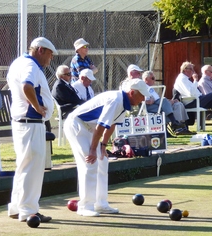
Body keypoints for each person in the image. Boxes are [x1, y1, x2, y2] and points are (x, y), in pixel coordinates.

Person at [63, 78, 150, 217]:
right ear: (132, 92)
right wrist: (92, 150)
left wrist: (103, 145)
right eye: (142, 95)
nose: (144, 99)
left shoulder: (125, 103)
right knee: (90, 163)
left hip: (91, 129)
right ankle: (85, 206)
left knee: (102, 161)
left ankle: (100, 203)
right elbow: (101, 125)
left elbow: (112, 125)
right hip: (77, 125)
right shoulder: (116, 100)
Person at [6, 37, 58, 223]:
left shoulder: (18, 62)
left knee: (24, 165)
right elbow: (27, 86)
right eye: (50, 55)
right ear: (41, 50)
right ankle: (28, 211)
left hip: (22, 122)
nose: (50, 59)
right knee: (33, 167)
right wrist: (37, 106)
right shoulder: (31, 66)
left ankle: (16, 206)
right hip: (30, 121)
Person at [173, 61, 212, 131]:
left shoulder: (186, 79)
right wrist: (195, 80)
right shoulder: (182, 79)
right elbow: (191, 93)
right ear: (185, 70)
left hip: (197, 99)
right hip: (192, 102)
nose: (193, 71)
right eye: (191, 69)